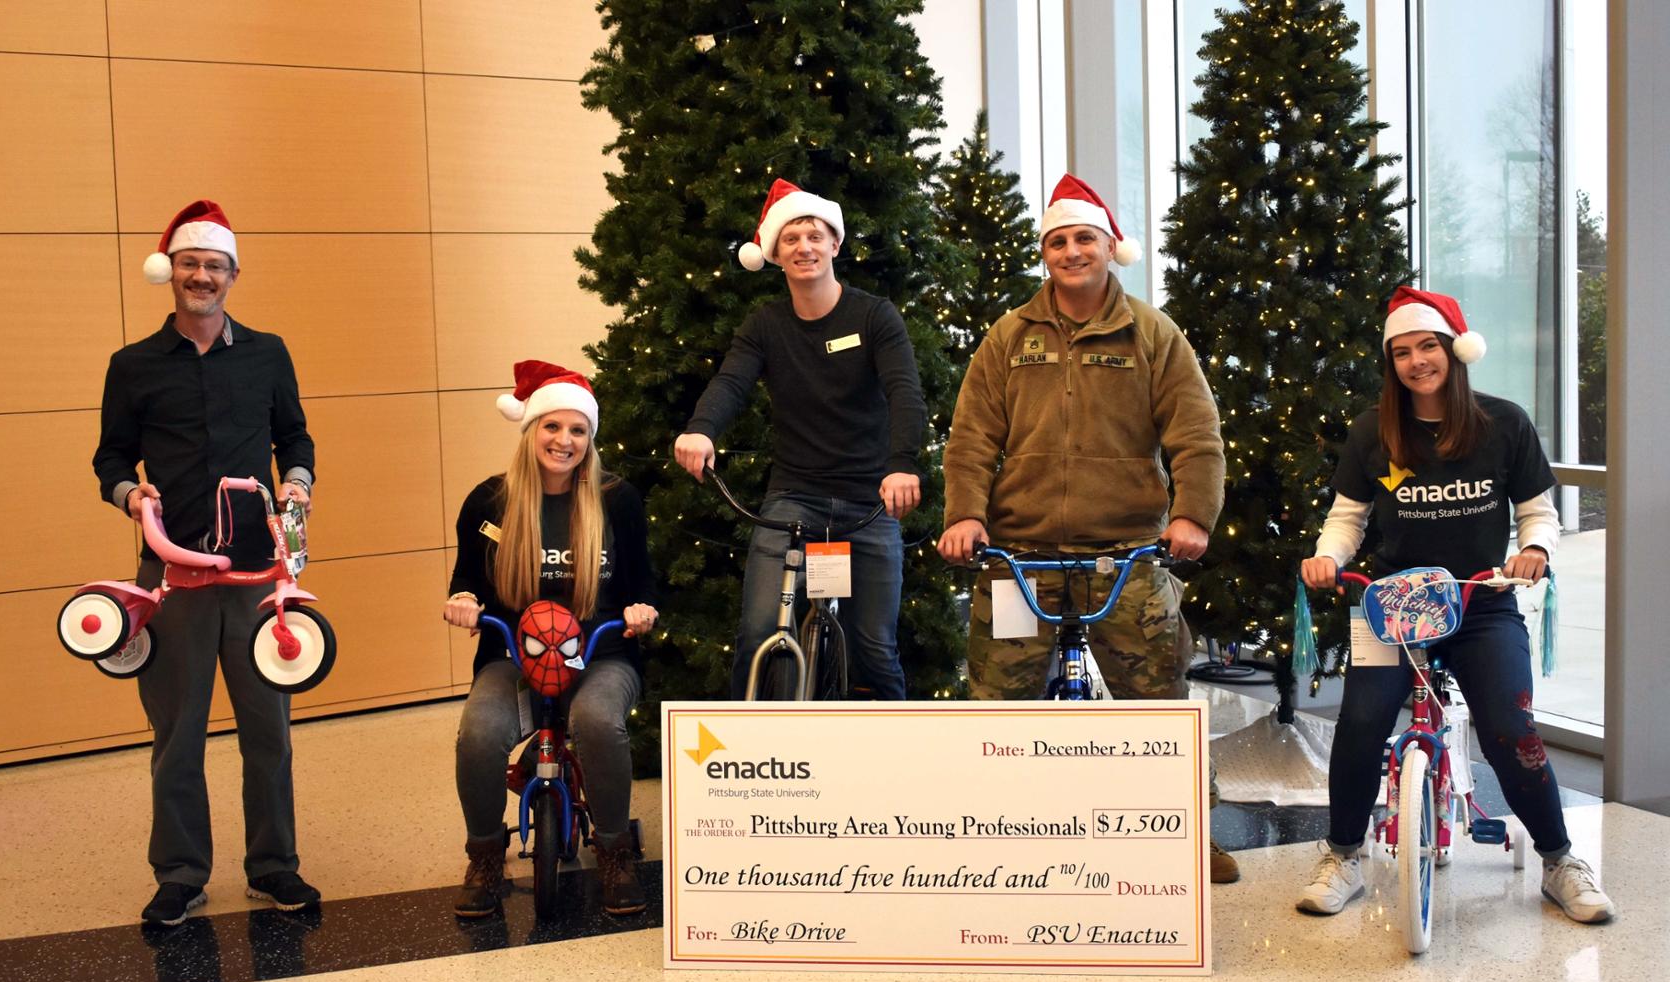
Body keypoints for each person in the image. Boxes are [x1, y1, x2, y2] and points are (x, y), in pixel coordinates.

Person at [938, 173, 1238, 883]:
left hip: (1126, 555)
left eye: (1084, 239)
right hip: (1019, 559)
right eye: (1058, 241)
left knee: (1160, 706)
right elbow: (971, 437)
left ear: (1110, 247)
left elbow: (1197, 433)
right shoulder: (1009, 337)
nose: (1071, 252)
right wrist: (967, 515)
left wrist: (1193, 515)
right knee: (995, 710)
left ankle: (1195, 833)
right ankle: (994, 837)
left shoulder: (1152, 334)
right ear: (1045, 252)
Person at [1296, 286, 1614, 923]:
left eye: (1429, 347)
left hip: (1481, 601)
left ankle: (1559, 860)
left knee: (1511, 728)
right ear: (1392, 362)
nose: (1417, 361)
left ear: (1453, 351)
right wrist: (1329, 555)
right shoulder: (1374, 431)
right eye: (1403, 351)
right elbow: (1349, 516)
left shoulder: (1503, 424)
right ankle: (1343, 855)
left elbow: (1537, 512)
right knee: (1359, 724)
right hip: (1392, 604)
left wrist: (1537, 551)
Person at [92, 199, 319, 926]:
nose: (201, 276)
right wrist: (132, 493)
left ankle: (274, 866)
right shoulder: (132, 365)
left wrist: (297, 483)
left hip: (257, 577)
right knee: (177, 734)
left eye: (213, 266)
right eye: (189, 263)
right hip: (173, 578)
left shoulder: (268, 352)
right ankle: (181, 873)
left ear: (232, 275)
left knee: (269, 732)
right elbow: (108, 457)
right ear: (172, 273)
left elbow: (296, 437)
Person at [672, 177, 925, 701]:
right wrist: (701, 430)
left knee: (875, 647)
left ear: (835, 244)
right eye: (791, 238)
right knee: (761, 632)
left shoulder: (874, 316)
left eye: (815, 235)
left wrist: (902, 465)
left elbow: (905, 392)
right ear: (773, 253)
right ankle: (757, 762)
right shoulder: (765, 324)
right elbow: (731, 381)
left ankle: (893, 769)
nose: (804, 247)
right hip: (795, 497)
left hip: (869, 500)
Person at [444, 361, 658, 917]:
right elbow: (467, 575)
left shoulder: (617, 500)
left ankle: (613, 852)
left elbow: (643, 583)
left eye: (578, 431)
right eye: (552, 427)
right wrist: (464, 600)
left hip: (600, 654)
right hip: (512, 657)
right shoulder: (489, 501)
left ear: (590, 439)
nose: (564, 441)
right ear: (530, 430)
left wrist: (641, 610)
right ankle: (486, 857)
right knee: (479, 732)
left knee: (596, 722)